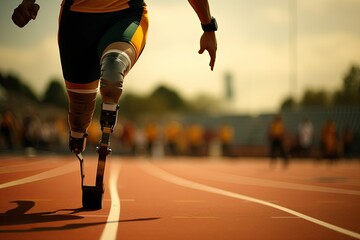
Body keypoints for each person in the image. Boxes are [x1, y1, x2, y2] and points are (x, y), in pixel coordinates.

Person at [12, 0, 218, 154]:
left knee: (113, 73)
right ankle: (78, 133)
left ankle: (108, 122)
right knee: (78, 118)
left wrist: (208, 26)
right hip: (76, 23)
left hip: (125, 15)